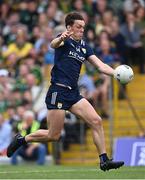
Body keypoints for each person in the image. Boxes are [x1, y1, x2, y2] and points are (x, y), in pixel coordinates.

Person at [7, 12, 124, 171]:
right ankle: (22, 139)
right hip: (58, 91)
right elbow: (53, 44)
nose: (82, 30)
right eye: (78, 27)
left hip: (73, 94)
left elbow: (100, 65)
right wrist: (61, 37)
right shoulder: (64, 40)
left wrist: (116, 73)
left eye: (83, 27)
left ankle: (104, 160)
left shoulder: (84, 46)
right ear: (69, 27)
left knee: (96, 121)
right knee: (53, 135)